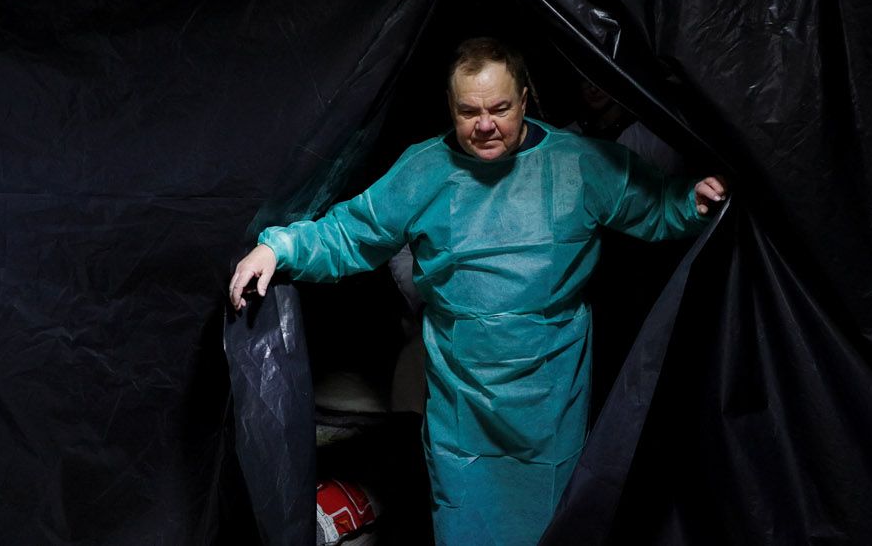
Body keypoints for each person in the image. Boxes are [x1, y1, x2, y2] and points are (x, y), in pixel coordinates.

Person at [229, 37, 727, 546]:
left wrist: (691, 203)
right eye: (469, 112)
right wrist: (279, 249)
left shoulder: (580, 163)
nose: (484, 125)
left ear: (525, 100)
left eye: (500, 108)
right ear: (450, 107)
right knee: (466, 526)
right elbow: (351, 233)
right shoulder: (424, 170)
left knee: (550, 528)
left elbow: (653, 206)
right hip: (462, 408)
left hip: (549, 403)